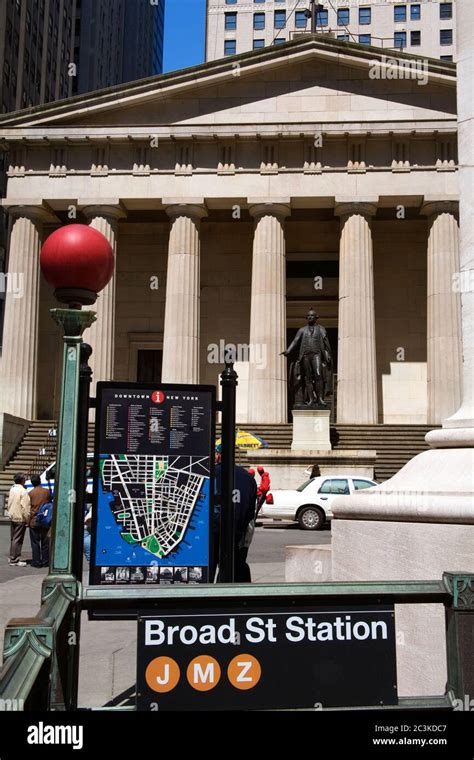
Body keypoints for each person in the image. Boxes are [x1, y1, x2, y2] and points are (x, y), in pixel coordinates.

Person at [213, 456, 257, 583]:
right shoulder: (248, 478)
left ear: (218, 456)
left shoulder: (210, 474)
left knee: (207, 572)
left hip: (212, 533)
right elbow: (250, 511)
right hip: (237, 534)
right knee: (233, 571)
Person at [7, 473, 31, 567]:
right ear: (22, 480)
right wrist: (27, 519)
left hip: (12, 515)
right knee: (18, 539)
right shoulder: (23, 491)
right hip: (20, 517)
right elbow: (25, 507)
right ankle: (14, 559)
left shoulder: (12, 489)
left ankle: (12, 556)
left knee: (13, 538)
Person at [28, 474, 51, 568]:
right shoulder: (47, 491)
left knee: (35, 542)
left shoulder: (30, 493)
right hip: (45, 519)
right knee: (45, 542)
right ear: (40, 481)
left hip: (34, 519)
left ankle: (36, 561)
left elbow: (28, 507)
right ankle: (45, 560)